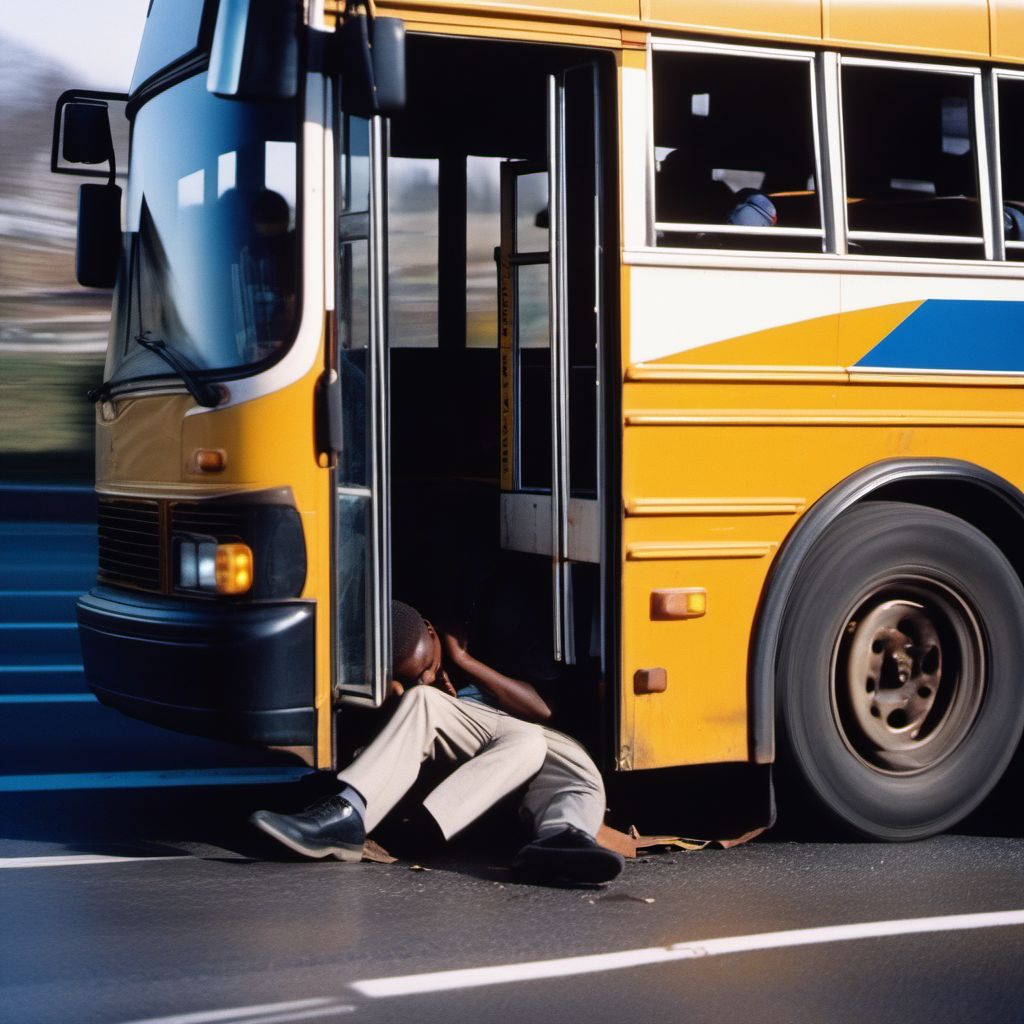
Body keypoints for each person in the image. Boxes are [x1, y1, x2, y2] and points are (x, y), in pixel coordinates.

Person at [251, 600, 624, 885]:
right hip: (480, 766)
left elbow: (540, 710)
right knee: (438, 707)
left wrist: (464, 660)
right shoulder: (417, 695)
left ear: (432, 631)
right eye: (414, 679)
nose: (429, 678)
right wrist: (396, 697)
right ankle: (348, 813)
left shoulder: (487, 622)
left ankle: (559, 840)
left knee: (574, 772)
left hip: (529, 745)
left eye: (429, 666)